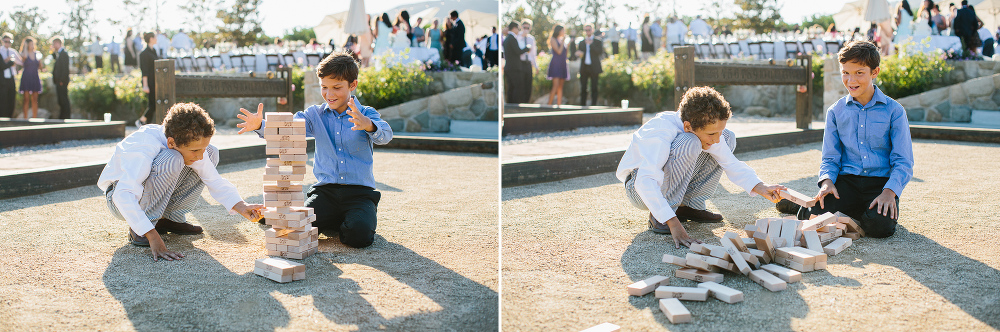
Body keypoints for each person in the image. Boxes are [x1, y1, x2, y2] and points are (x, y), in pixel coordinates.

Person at [237, 51, 393, 248]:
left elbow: (386, 135)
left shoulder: (366, 113)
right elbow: (289, 126)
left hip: (360, 194)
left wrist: (368, 125)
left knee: (359, 237)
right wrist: (260, 125)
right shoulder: (314, 115)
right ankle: (326, 218)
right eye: (324, 87)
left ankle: (348, 219)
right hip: (325, 192)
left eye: (337, 87)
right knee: (293, 228)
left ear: (352, 85)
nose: (329, 94)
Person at [618, 86, 787, 248]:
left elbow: (729, 162)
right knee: (689, 142)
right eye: (712, 133)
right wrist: (672, 222)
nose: (716, 139)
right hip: (638, 187)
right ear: (687, 126)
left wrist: (761, 187)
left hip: (659, 182)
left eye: (718, 132)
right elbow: (645, 180)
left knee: (728, 138)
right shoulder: (660, 131)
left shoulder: (705, 130)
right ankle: (662, 215)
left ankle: (687, 207)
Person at [779, 41, 912, 239]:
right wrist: (827, 182)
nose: (851, 80)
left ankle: (857, 210)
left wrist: (890, 192)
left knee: (879, 228)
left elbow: (903, 161)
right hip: (846, 183)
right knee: (815, 215)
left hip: (880, 185)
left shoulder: (895, 111)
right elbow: (830, 158)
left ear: (875, 72)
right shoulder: (835, 111)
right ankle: (801, 203)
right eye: (845, 73)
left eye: (859, 73)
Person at [98, 102, 264, 261]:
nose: (200, 155)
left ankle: (169, 219)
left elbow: (213, 178)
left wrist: (242, 206)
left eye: (201, 149)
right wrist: (151, 235)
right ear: (171, 142)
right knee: (173, 158)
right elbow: (123, 195)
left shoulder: (185, 143)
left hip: (140, 192)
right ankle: (143, 227)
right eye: (195, 150)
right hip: (119, 198)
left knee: (211, 153)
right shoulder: (143, 147)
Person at [575, 24, 603, 107]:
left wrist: (591, 44)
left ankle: (593, 105)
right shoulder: (581, 42)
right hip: (584, 67)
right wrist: (578, 54)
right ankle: (582, 105)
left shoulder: (597, 41)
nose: (587, 32)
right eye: (586, 30)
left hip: (594, 67)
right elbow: (580, 53)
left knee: (594, 88)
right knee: (583, 88)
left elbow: (599, 52)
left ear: (592, 30)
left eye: (589, 30)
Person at [503, 22, 531, 103]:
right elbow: (518, 51)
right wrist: (527, 48)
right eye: (518, 28)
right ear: (514, 28)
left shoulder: (507, 38)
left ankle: (510, 104)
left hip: (508, 66)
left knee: (511, 87)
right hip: (514, 67)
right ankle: (515, 105)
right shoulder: (512, 38)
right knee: (517, 87)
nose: (519, 30)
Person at [137, 32, 159, 127]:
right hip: (149, 81)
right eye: (155, 37)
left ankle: (146, 125)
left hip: (156, 80)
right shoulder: (144, 54)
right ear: (151, 39)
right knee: (152, 104)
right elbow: (144, 70)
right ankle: (141, 121)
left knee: (154, 104)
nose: (156, 39)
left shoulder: (153, 51)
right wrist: (145, 85)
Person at [17, 37, 43, 119]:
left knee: (35, 99)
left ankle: (34, 118)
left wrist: (40, 62)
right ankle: (25, 118)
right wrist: (24, 47)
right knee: (26, 99)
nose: (32, 45)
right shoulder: (24, 53)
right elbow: (23, 59)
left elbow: (41, 67)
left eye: (33, 44)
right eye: (30, 44)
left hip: (35, 77)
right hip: (26, 77)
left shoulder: (37, 54)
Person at [546, 25, 569, 107]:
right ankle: (549, 105)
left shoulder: (562, 40)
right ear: (559, 31)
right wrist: (563, 42)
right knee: (555, 86)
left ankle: (559, 105)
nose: (564, 32)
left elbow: (565, 53)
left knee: (560, 86)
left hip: (562, 63)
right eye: (563, 30)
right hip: (556, 64)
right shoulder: (553, 39)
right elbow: (559, 51)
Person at [50, 37, 71, 119]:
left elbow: (65, 69)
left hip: (62, 81)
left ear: (58, 43)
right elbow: (55, 59)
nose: (53, 46)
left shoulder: (64, 54)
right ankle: (62, 115)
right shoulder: (59, 53)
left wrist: (62, 80)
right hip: (58, 81)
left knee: (63, 99)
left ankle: (66, 116)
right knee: (60, 100)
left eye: (54, 44)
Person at [0, 33, 18, 118]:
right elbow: (2, 65)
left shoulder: (13, 51)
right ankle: (3, 117)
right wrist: (9, 62)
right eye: (5, 41)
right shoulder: (0, 51)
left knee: (11, 98)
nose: (7, 43)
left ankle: (10, 117)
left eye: (9, 41)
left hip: (11, 78)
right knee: (3, 99)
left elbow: (21, 61)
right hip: (2, 79)